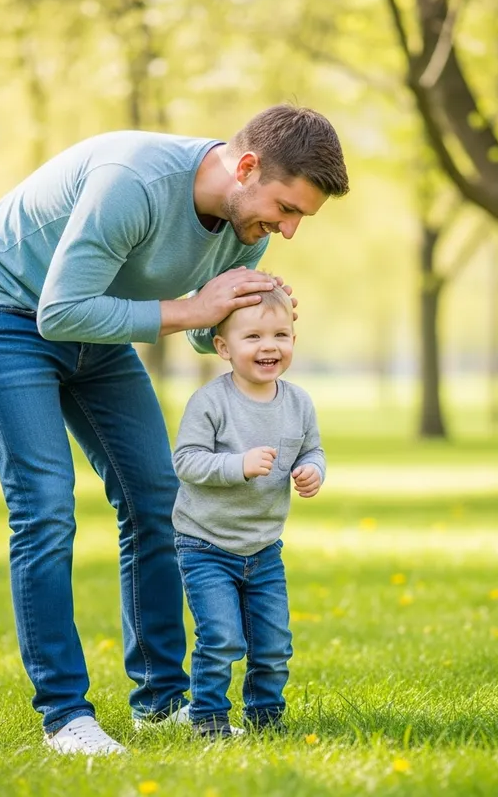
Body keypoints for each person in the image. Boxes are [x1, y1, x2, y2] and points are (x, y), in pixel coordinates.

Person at [0, 104, 349, 755]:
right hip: (5, 315)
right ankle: (64, 716)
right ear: (246, 167)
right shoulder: (132, 181)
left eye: (300, 216)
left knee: (158, 498)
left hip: (95, 330)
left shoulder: (249, 228)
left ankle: (161, 704)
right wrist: (195, 305)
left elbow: (194, 330)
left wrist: (239, 319)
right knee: (45, 508)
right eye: (286, 208)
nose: (289, 229)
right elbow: (58, 310)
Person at [172, 285, 324, 738]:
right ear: (223, 347)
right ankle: (210, 720)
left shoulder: (297, 403)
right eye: (253, 337)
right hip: (205, 544)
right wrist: (236, 465)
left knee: (274, 643)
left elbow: (312, 450)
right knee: (221, 639)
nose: (269, 346)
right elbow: (186, 461)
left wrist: (313, 470)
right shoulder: (211, 402)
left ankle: (265, 720)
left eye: (281, 334)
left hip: (263, 549)